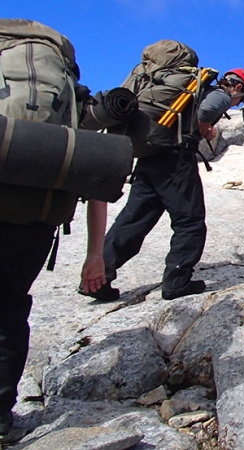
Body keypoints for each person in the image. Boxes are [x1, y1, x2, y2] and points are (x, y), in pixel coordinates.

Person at [0, 20, 111, 436]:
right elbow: (95, 173)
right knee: (8, 309)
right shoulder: (69, 93)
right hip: (35, 217)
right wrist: (95, 253)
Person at [86, 67, 244, 301]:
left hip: (151, 153)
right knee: (190, 221)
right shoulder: (220, 94)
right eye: (241, 99)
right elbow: (205, 112)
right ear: (238, 87)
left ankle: (97, 279)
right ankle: (177, 281)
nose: (236, 104)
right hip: (175, 159)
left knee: (133, 219)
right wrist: (206, 131)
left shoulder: (190, 88)